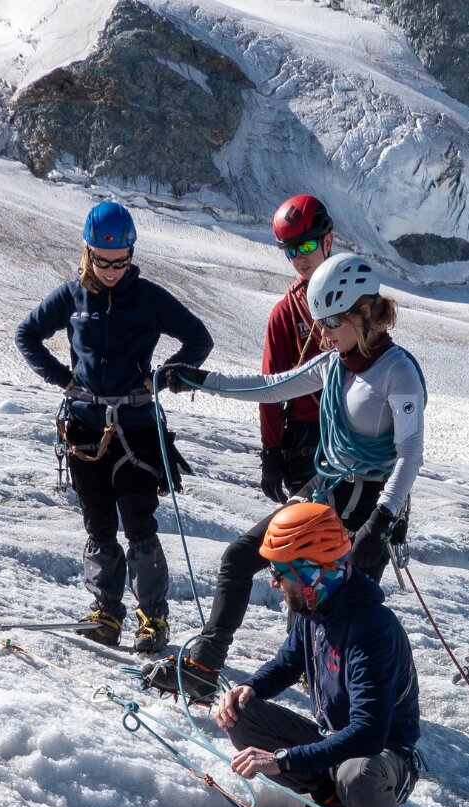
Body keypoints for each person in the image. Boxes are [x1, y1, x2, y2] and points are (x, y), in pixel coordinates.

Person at [146, 252, 425, 701]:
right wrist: (197, 380)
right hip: (329, 487)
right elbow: (270, 386)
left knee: (334, 612)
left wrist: (382, 519)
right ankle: (205, 663)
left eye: (331, 323)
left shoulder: (398, 372)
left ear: (363, 313)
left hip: (372, 501)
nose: (323, 334)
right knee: (242, 557)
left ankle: (341, 707)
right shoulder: (333, 364)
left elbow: (411, 453)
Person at [215, 502, 424, 807]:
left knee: (357, 773)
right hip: (337, 745)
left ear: (311, 570)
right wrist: (247, 689)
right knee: (245, 717)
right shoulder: (315, 606)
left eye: (281, 571)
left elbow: (369, 734)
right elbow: (289, 663)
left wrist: (285, 759)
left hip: (386, 760)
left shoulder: (371, 627)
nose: (273, 581)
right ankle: (334, 805)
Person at [15, 201, 213, 654]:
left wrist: (163, 377)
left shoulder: (148, 298)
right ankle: (106, 613)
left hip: (138, 428)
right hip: (85, 429)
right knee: (99, 524)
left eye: (119, 262)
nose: (110, 271)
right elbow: (26, 334)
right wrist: (62, 379)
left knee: (140, 523)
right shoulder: (70, 298)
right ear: (87, 252)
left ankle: (152, 618)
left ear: (131, 255)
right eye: (102, 262)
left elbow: (199, 338)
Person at [259, 194, 334, 501]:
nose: (300, 258)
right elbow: (269, 388)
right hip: (307, 440)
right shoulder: (285, 313)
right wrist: (271, 452)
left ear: (327, 241)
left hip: (357, 431)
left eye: (306, 246)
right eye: (291, 250)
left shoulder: (359, 297)